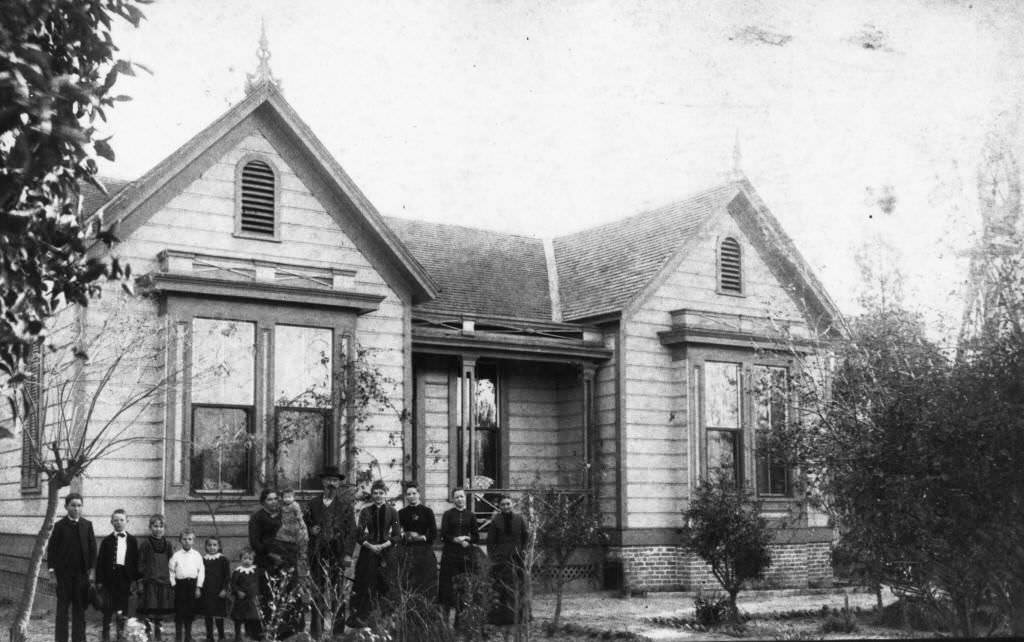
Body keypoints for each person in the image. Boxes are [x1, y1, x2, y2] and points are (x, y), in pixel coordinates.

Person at [304, 465, 356, 638]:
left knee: (338, 592)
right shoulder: (312, 504)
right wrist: (311, 530)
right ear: (323, 482)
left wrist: (348, 553)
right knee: (317, 591)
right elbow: (304, 526)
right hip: (317, 553)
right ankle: (316, 632)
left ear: (339, 483)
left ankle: (338, 632)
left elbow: (352, 531)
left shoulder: (345, 506)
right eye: (328, 480)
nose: (331, 483)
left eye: (334, 480)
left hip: (337, 553)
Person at [348, 480, 400, 629]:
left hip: (386, 553)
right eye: (375, 493)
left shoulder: (392, 512)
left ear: (385, 494)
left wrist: (383, 545)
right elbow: (358, 535)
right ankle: (364, 621)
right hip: (368, 552)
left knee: (386, 585)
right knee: (367, 584)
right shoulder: (365, 511)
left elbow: (397, 535)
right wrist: (371, 546)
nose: (378, 496)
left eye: (381, 493)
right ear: (372, 494)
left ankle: (385, 621)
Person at [46, 493, 97, 642]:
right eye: (73, 505)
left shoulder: (87, 525)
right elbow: (52, 551)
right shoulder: (60, 526)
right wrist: (52, 573)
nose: (76, 508)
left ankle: (79, 639)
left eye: (79, 505)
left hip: (82, 576)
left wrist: (92, 571)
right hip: (63, 577)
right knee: (62, 611)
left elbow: (93, 550)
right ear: (66, 507)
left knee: (79, 610)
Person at [95, 508, 140, 642]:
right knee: (108, 609)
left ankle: (121, 636)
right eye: (115, 520)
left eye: (121, 520)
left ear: (127, 521)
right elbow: (100, 562)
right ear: (111, 522)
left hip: (125, 579)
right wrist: (99, 580)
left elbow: (135, 561)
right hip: (110, 579)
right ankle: (106, 636)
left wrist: (135, 580)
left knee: (123, 610)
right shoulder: (106, 541)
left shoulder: (132, 540)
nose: (119, 523)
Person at [487, 495, 529, 637]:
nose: (506, 506)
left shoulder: (520, 519)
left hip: (517, 558)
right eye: (503, 504)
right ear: (500, 507)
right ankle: (502, 619)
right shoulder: (495, 521)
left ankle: (519, 617)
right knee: (502, 588)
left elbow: (526, 536)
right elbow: (490, 542)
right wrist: (494, 557)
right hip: (501, 560)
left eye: (508, 504)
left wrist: (523, 550)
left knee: (518, 587)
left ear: (512, 505)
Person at [438, 487, 480, 626]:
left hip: (466, 555)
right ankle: (445, 620)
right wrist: (455, 539)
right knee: (448, 586)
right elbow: (443, 534)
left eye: (461, 496)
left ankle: (460, 621)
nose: (459, 499)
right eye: (456, 497)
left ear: (465, 498)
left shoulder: (471, 515)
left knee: (463, 587)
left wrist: (468, 540)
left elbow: (476, 536)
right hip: (450, 554)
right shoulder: (448, 514)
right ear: (453, 499)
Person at [396, 482, 438, 599]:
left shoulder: (427, 511)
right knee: (409, 582)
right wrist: (407, 535)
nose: (411, 496)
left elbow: (433, 533)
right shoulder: (401, 513)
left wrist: (421, 537)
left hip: (424, 552)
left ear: (419, 494)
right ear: (406, 496)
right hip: (408, 551)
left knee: (425, 582)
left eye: (414, 493)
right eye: (409, 494)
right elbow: (397, 532)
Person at [137, 514, 175, 640]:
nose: (158, 529)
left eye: (161, 526)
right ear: (150, 527)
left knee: (160, 612)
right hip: (150, 583)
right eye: (155, 526)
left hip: (164, 583)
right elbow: (141, 563)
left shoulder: (168, 544)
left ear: (164, 528)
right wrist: (142, 580)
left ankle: (158, 635)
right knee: (150, 611)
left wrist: (171, 580)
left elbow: (171, 562)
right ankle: (148, 634)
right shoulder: (146, 544)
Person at [168, 528, 205, 642]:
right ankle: (178, 637)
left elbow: (201, 572)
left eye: (190, 539)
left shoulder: (197, 555)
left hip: (192, 585)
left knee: (189, 611)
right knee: (179, 611)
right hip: (180, 585)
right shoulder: (176, 556)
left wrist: (198, 587)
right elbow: (171, 571)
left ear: (193, 541)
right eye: (184, 539)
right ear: (180, 540)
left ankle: (188, 636)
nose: (187, 541)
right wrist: (174, 585)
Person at [198, 536, 230, 642]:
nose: (212, 547)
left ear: (219, 546)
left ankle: (221, 636)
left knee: (219, 614)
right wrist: (199, 589)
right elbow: (200, 575)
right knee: (208, 615)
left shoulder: (223, 559)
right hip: (207, 592)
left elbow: (227, 576)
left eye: (215, 545)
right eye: (209, 545)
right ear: (206, 547)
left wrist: (225, 589)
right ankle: (209, 637)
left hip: (219, 592)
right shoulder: (203, 560)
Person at [272, 488, 308, 576]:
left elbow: (299, 515)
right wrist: (274, 515)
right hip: (285, 526)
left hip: (293, 526)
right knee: (281, 540)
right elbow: (279, 513)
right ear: (282, 498)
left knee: (295, 548)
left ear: (293, 497)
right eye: (285, 497)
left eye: (290, 497)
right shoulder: (282, 506)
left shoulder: (295, 505)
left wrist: (302, 523)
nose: (287, 499)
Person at [229, 549, 260, 642]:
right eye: (245, 558)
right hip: (241, 600)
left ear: (253, 560)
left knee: (250, 618)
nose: (247, 561)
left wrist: (256, 593)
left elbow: (258, 583)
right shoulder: (238, 572)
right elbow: (233, 584)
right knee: (238, 618)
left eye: (250, 559)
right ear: (241, 559)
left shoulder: (255, 571)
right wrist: (238, 591)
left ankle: (249, 634)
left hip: (251, 599)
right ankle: (238, 636)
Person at [247, 488, 281, 571]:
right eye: (269, 499)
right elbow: (255, 542)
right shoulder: (257, 518)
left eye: (275, 499)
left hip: (284, 558)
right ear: (263, 502)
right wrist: (270, 555)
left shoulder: (284, 515)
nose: (274, 502)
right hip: (265, 560)